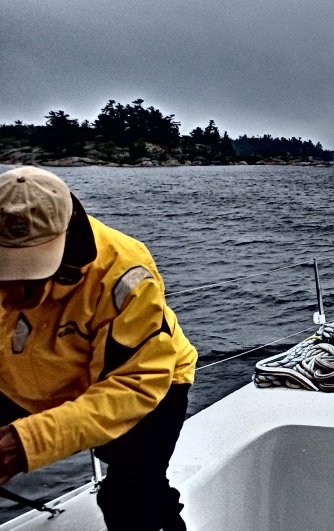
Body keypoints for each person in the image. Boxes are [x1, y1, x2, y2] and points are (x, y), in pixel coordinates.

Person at [0, 166, 197, 530]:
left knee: (133, 496)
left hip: (148, 386)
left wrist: (27, 440)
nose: (13, 296)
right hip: (27, 375)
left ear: (67, 230)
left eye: (30, 273)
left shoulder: (126, 272)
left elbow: (136, 382)